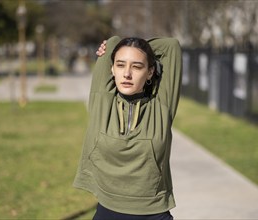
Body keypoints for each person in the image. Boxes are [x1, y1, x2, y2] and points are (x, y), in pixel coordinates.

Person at [73, 36, 182, 220]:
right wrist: (119, 45)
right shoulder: (102, 101)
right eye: (121, 65)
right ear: (112, 69)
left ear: (150, 72)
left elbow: (171, 47)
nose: (127, 74)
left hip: (153, 212)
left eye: (137, 66)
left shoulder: (161, 106)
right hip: (108, 210)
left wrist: (137, 47)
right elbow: (113, 42)